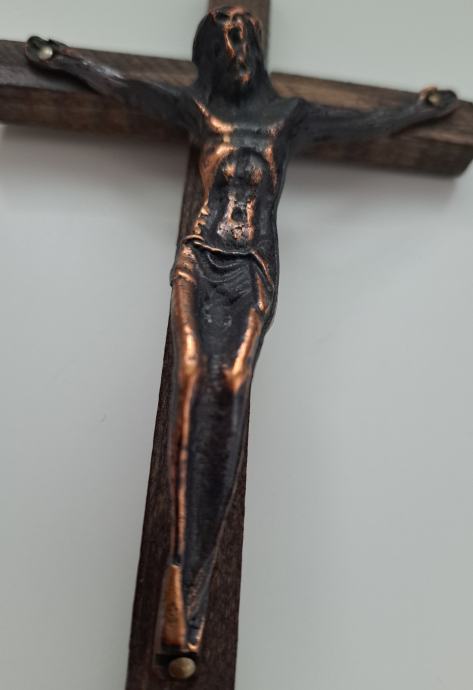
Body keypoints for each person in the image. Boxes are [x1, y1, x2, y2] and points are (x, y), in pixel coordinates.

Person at [26, 4, 458, 667]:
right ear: (212, 54)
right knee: (191, 381)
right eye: (225, 40)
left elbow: (367, 123)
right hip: (201, 258)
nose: (237, 49)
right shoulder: (199, 112)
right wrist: (67, 61)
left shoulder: (290, 118)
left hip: (252, 267)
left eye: (243, 36)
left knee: (229, 387)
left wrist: (420, 110)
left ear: (256, 46)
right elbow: (126, 88)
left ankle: (198, 572)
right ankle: (181, 573)